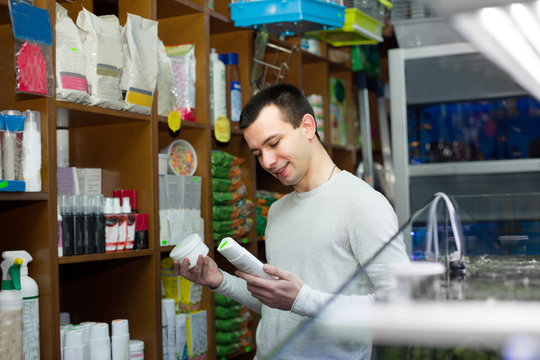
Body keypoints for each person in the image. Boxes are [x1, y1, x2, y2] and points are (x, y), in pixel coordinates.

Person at [175, 83, 409, 359]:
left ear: (308, 127)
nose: (268, 162)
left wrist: (302, 299)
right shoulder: (277, 211)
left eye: (274, 143)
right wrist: (219, 280)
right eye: (258, 153)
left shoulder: (363, 204)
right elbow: (281, 309)